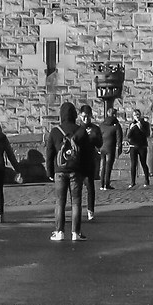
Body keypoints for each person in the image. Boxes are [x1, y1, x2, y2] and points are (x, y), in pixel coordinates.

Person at [50, 103, 90, 242]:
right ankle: (76, 232)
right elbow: (87, 154)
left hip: (60, 170)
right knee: (76, 202)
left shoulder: (55, 131)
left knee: (60, 202)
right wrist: (85, 171)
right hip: (76, 170)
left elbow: (49, 154)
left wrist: (50, 172)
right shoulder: (81, 131)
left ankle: (59, 231)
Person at [75, 105, 102, 220]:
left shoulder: (95, 128)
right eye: (84, 117)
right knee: (77, 188)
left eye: (88, 117)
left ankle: (91, 210)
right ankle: (77, 210)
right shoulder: (77, 128)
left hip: (90, 160)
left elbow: (99, 144)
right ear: (80, 116)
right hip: (78, 161)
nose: (86, 119)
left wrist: (92, 136)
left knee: (90, 187)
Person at [126, 111, 151, 187]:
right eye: (135, 115)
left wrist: (140, 127)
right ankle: (132, 182)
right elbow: (128, 136)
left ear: (140, 115)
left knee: (143, 163)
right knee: (133, 164)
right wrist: (131, 128)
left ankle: (147, 180)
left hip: (142, 146)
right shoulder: (132, 124)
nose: (136, 116)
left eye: (138, 115)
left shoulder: (145, 124)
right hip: (133, 146)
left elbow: (147, 134)